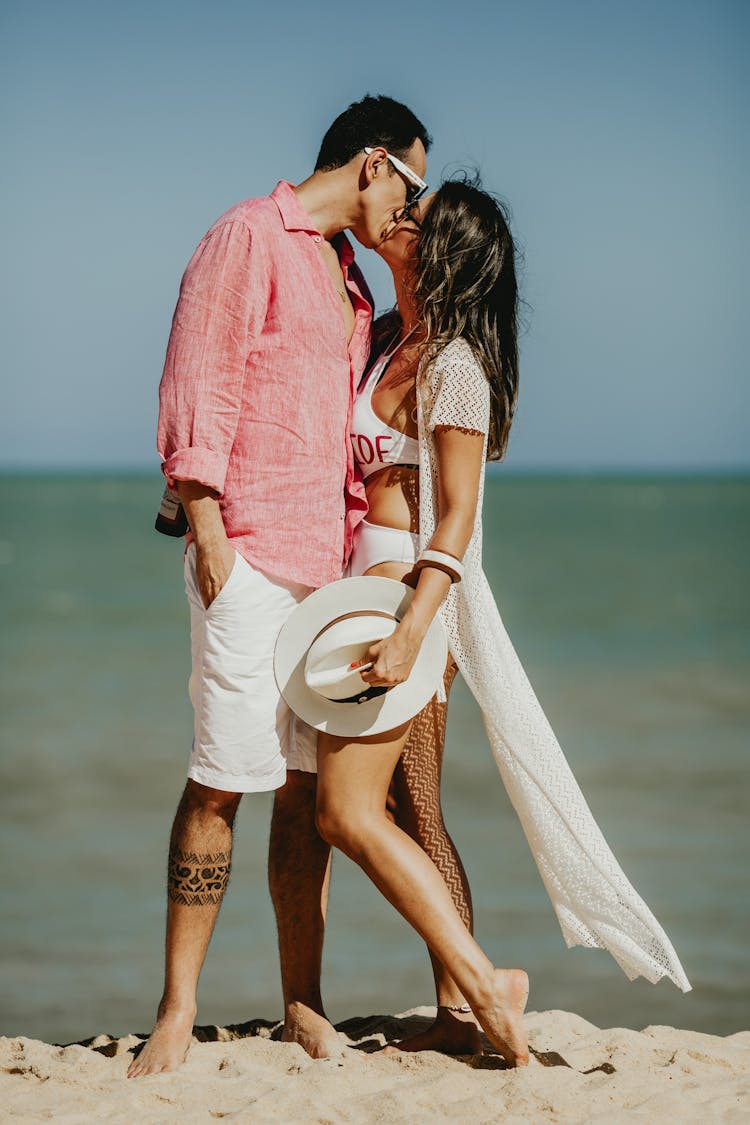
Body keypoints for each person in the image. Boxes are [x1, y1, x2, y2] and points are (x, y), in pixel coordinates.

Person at [309, 178, 691, 1061]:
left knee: (404, 809)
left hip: (408, 600)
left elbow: (458, 516)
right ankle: (457, 1003)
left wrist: (412, 625)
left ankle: (478, 986)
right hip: (364, 591)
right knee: (406, 804)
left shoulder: (454, 367)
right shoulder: (397, 344)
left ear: (445, 251)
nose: (399, 220)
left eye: (419, 217)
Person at [128, 94, 432, 1079]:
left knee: (305, 796)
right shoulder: (249, 234)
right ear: (376, 162)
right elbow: (197, 375)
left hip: (331, 567)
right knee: (221, 777)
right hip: (247, 548)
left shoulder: (351, 283)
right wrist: (205, 524)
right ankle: (178, 1009)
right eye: (414, 186)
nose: (414, 209)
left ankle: (303, 1002)